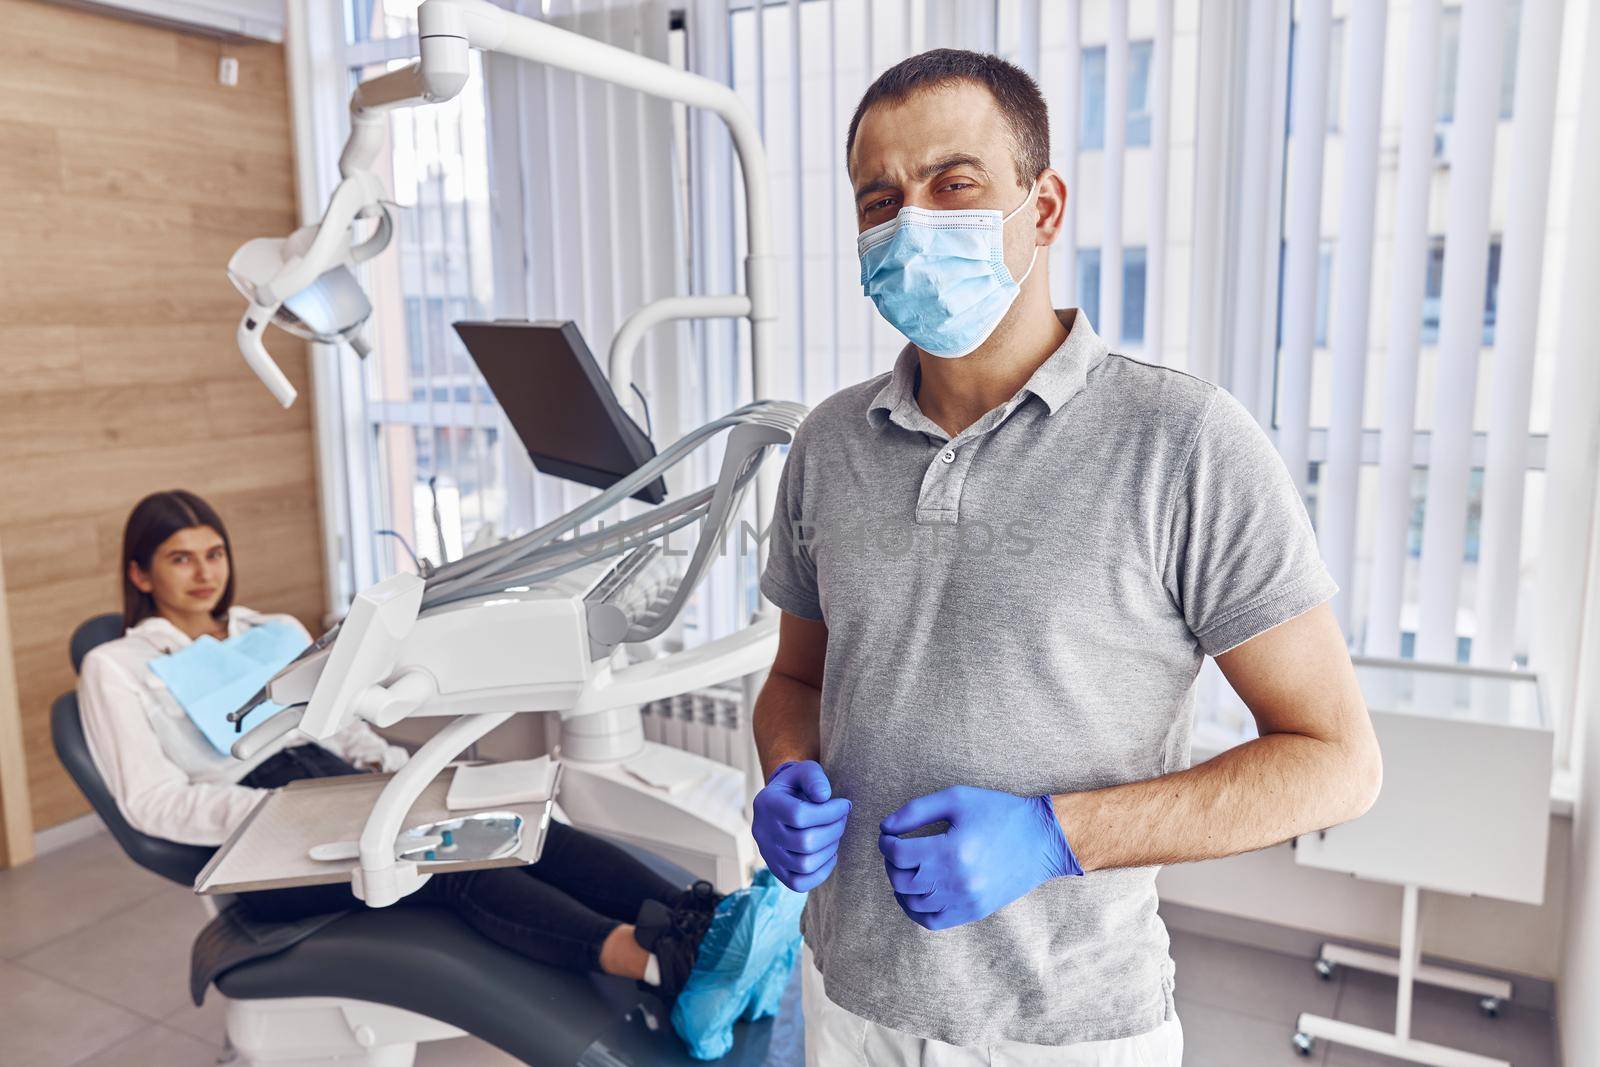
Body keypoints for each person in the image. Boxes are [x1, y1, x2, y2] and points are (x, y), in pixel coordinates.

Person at [749, 49, 1383, 1066]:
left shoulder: (1184, 442)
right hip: (851, 996)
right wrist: (787, 768)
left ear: (1041, 208)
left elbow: (1334, 764)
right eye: (880, 200)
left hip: (1067, 1028)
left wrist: (1052, 832)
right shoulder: (828, 444)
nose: (911, 223)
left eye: (953, 184)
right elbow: (796, 677)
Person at [79, 489, 797, 1057]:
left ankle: (710, 928)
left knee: (522, 826)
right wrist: (292, 814)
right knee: (453, 863)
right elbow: (151, 802)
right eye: (180, 559)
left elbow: (345, 729)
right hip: (263, 841)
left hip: (338, 787)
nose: (206, 573)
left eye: (214, 552)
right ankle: (659, 966)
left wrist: (410, 777)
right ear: (140, 573)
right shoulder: (118, 667)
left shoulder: (269, 631)